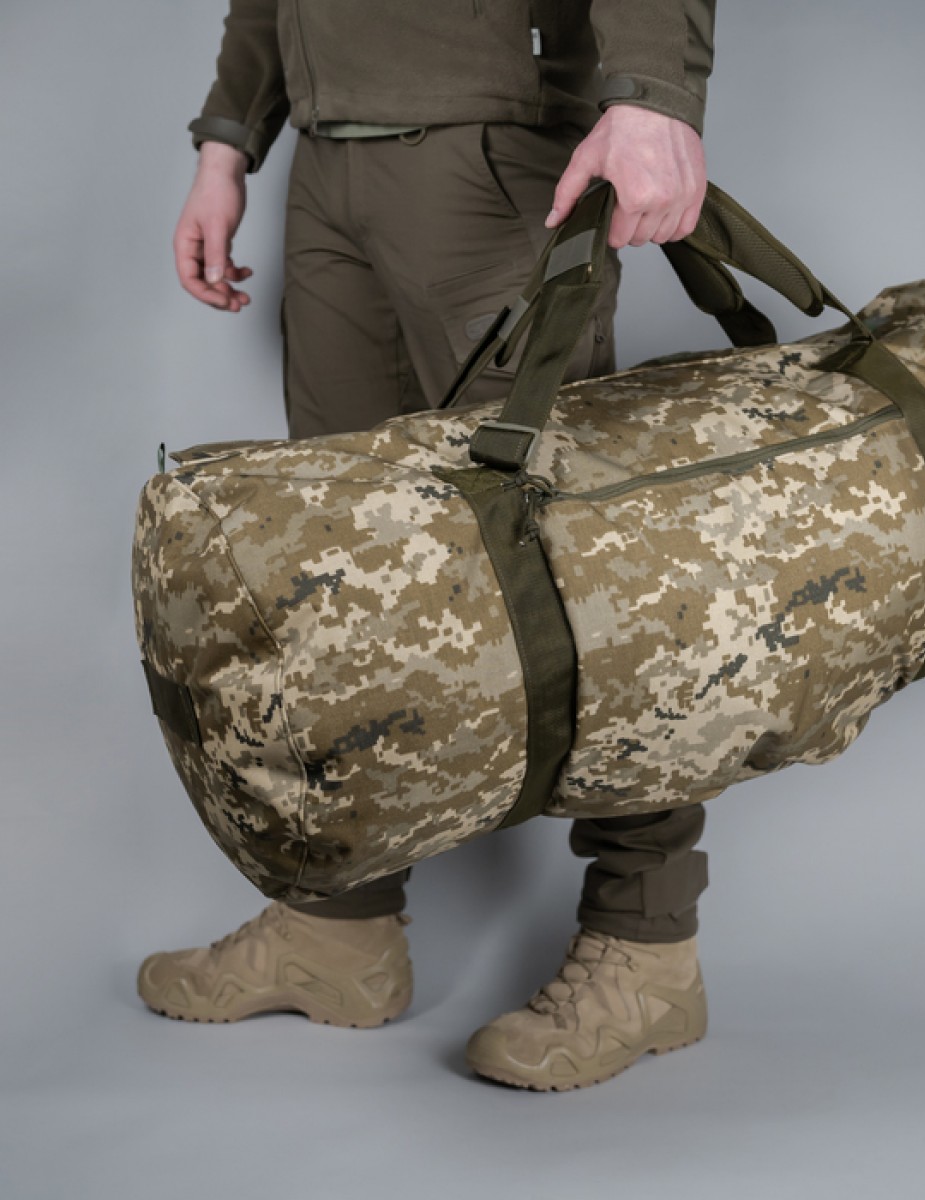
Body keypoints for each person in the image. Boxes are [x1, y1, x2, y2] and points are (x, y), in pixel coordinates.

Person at [139, 0, 717, 1091]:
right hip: (327, 163)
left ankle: (647, 943)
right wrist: (228, 141)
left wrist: (654, 95)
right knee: (337, 574)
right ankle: (338, 927)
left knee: (574, 569)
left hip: (487, 151)